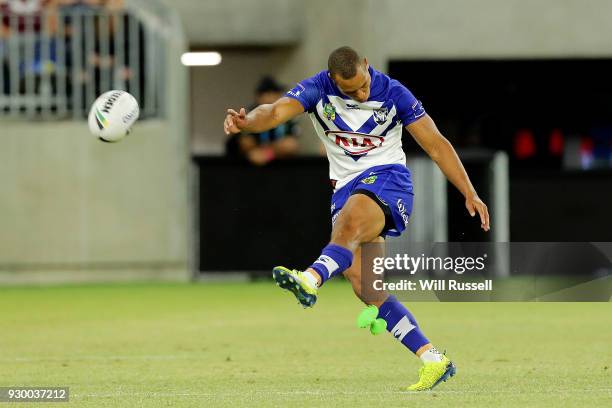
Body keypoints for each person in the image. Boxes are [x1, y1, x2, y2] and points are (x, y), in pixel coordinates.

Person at [223, 46, 490, 391]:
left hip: (388, 180)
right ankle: (433, 359)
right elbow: (274, 112)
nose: (362, 93)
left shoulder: (394, 93)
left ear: (366, 65)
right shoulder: (318, 89)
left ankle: (311, 278)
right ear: (335, 80)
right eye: (352, 91)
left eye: (363, 85)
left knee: (349, 223)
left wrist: (468, 191)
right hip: (345, 188)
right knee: (368, 288)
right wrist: (247, 123)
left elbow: (436, 144)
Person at [226, 76, 299, 165]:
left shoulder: (287, 114)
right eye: (272, 93)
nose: (276, 97)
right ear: (260, 97)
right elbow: (245, 143)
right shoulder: (250, 114)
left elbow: (291, 145)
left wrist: (268, 154)